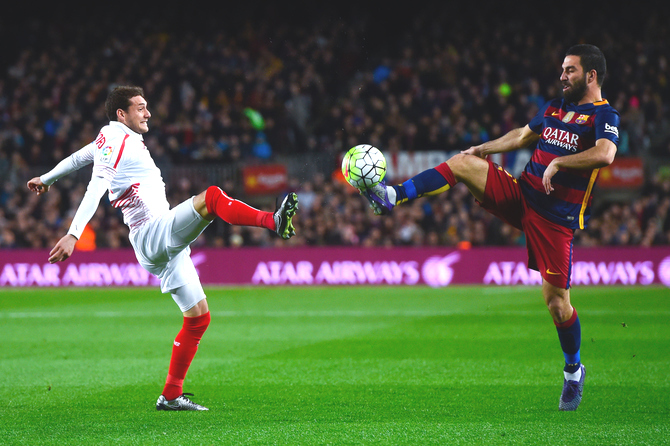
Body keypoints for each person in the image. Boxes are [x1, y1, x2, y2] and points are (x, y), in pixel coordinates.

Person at [361, 44, 619, 411]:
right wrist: (483, 149)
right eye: (562, 69)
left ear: (591, 75)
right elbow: (520, 135)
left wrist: (560, 162)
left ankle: (574, 371)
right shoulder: (554, 107)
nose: (562, 76)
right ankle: (392, 195)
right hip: (523, 195)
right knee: (463, 162)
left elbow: (606, 153)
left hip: (554, 220)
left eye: (570, 70)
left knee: (557, 304)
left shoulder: (605, 115)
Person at [27, 85, 299, 411]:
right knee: (211, 198)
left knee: (198, 318)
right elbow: (96, 183)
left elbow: (80, 157)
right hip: (153, 233)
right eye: (141, 108)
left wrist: (46, 177)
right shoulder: (118, 140)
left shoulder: (109, 139)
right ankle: (273, 221)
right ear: (121, 114)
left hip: (158, 241)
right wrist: (73, 234)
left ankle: (170, 395)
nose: (148, 113)